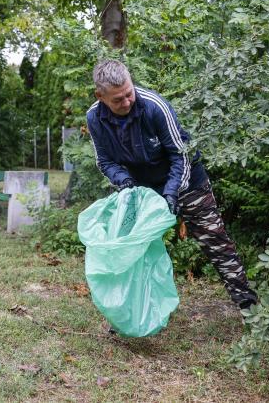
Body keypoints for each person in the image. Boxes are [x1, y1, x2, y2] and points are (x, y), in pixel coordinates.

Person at [86, 59, 257, 310]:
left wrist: (171, 193)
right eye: (117, 100)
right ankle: (129, 312)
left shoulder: (155, 107)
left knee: (216, 241)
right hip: (140, 188)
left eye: (129, 94)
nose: (126, 102)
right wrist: (126, 184)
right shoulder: (94, 118)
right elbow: (105, 162)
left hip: (186, 182)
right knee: (132, 249)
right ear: (100, 96)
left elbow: (181, 154)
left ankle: (247, 305)